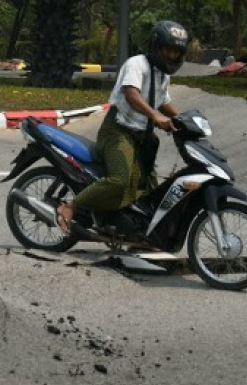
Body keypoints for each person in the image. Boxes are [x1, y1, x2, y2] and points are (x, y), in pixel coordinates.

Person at [57, 20, 188, 233]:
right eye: (168, 50)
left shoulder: (162, 74)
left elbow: (163, 100)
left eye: (176, 52)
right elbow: (132, 93)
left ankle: (134, 229)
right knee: (120, 180)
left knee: (151, 188)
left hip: (142, 136)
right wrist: (154, 115)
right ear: (157, 46)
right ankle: (71, 206)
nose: (172, 56)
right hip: (117, 131)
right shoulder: (137, 64)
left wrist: (183, 118)